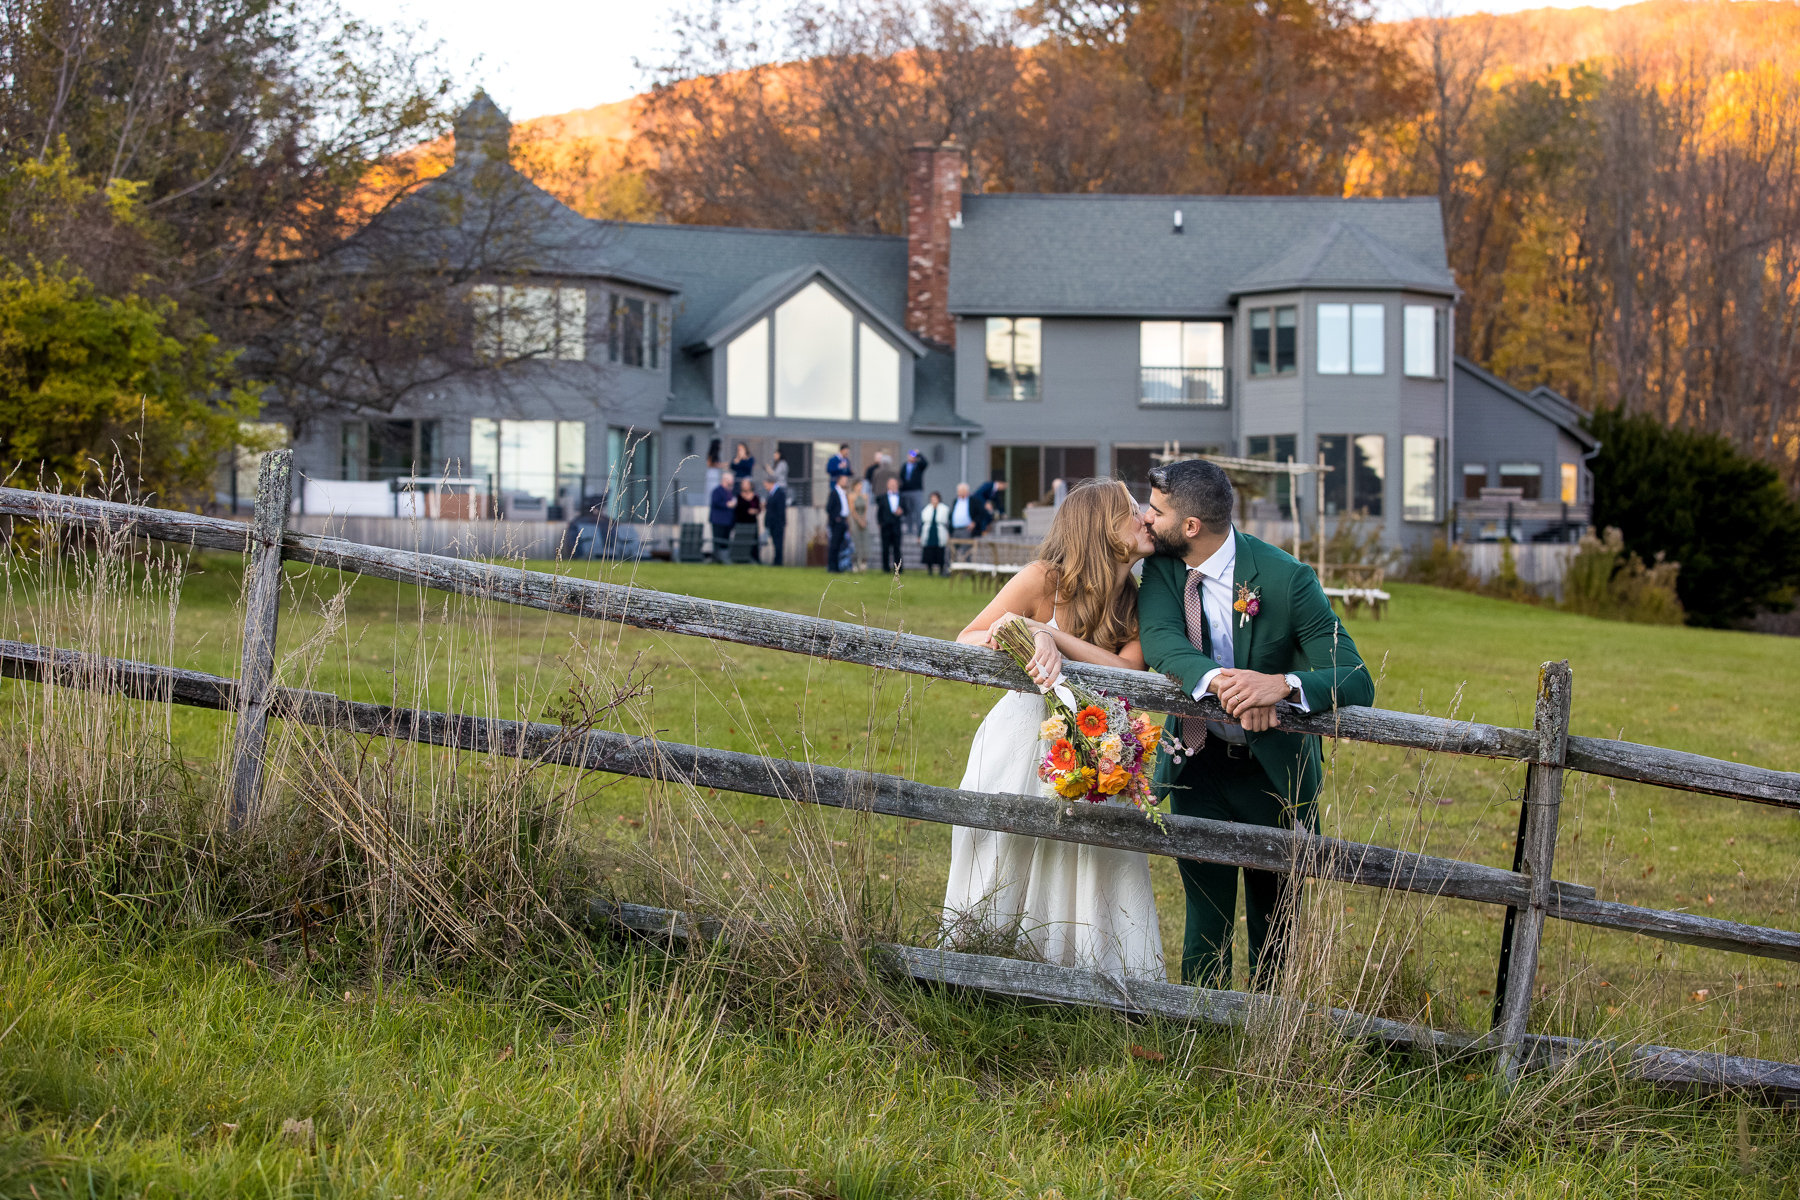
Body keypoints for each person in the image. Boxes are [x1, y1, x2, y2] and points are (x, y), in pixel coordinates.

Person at [1138, 458, 1374, 990]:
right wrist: (1229, 684)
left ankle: (1268, 1037)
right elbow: (1160, 639)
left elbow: (1357, 677)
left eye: (1155, 510)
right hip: (1196, 766)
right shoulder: (1164, 567)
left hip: (1275, 776)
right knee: (1205, 918)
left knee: (1276, 923)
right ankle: (1202, 1032)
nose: (1145, 518)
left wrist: (1283, 685)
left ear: (1191, 526)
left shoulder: (1288, 579)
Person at [942, 480, 1163, 979]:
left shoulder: (1139, 600)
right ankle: (983, 967)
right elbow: (968, 637)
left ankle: (1089, 973)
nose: (1145, 518)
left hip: (1099, 743)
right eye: (1132, 511)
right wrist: (1018, 633)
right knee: (1003, 847)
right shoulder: (1044, 579)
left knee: (1089, 855)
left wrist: (1051, 635)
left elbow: (1129, 672)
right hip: (1020, 737)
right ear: (1101, 527)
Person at [918, 490, 951, 575]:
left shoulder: (944, 509)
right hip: (929, 532)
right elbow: (921, 523)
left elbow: (948, 522)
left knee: (940, 551)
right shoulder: (927, 509)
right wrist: (919, 535)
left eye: (935, 499)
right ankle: (930, 570)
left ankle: (941, 570)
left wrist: (949, 533)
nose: (934, 501)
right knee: (929, 552)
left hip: (939, 532)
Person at [877, 476, 905, 574]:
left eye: (895, 484)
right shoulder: (882, 497)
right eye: (891, 484)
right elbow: (879, 512)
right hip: (885, 526)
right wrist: (880, 523)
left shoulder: (902, 497)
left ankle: (898, 569)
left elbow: (906, 510)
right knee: (885, 548)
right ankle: (885, 568)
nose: (893, 486)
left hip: (896, 526)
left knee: (897, 549)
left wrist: (901, 511)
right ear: (888, 486)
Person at [732, 476, 763, 562]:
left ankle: (754, 558)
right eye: (743, 484)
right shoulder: (738, 496)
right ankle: (739, 558)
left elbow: (759, 508)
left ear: (751, 485)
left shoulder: (755, 496)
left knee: (753, 541)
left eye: (746, 484)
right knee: (740, 540)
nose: (744, 485)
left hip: (752, 523)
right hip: (741, 522)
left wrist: (755, 511)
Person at [825, 472, 851, 573]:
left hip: (843, 521)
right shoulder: (834, 492)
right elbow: (829, 508)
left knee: (840, 545)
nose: (846, 482)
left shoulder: (844, 493)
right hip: (837, 522)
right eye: (844, 480)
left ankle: (838, 567)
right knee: (834, 545)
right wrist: (836, 517)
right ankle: (832, 567)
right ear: (839, 481)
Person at [709, 471, 736, 563]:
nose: (732, 483)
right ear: (725, 480)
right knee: (718, 541)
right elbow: (715, 502)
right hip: (718, 521)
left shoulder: (730, 492)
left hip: (727, 522)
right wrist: (727, 504)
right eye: (730, 481)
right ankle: (716, 559)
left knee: (725, 541)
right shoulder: (717, 491)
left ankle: (724, 559)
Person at [899, 449, 928, 533]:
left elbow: (925, 463)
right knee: (908, 511)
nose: (911, 458)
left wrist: (919, 454)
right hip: (905, 491)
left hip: (916, 491)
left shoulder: (918, 465)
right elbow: (901, 477)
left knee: (917, 510)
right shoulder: (905, 466)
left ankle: (919, 530)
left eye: (913, 456)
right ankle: (909, 529)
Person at [764, 471, 788, 566]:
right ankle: (776, 561)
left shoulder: (779, 493)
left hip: (777, 523)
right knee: (775, 542)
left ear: (771, 483)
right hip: (772, 522)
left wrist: (776, 521)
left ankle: (778, 562)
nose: (765, 487)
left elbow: (780, 510)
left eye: (766, 485)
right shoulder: (772, 493)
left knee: (778, 543)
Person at [849, 478, 871, 572]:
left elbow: (866, 509)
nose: (860, 487)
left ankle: (863, 562)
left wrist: (864, 520)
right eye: (859, 485)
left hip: (863, 519)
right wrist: (859, 520)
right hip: (855, 520)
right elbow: (852, 510)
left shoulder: (865, 496)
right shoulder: (851, 496)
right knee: (856, 541)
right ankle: (854, 563)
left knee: (864, 541)